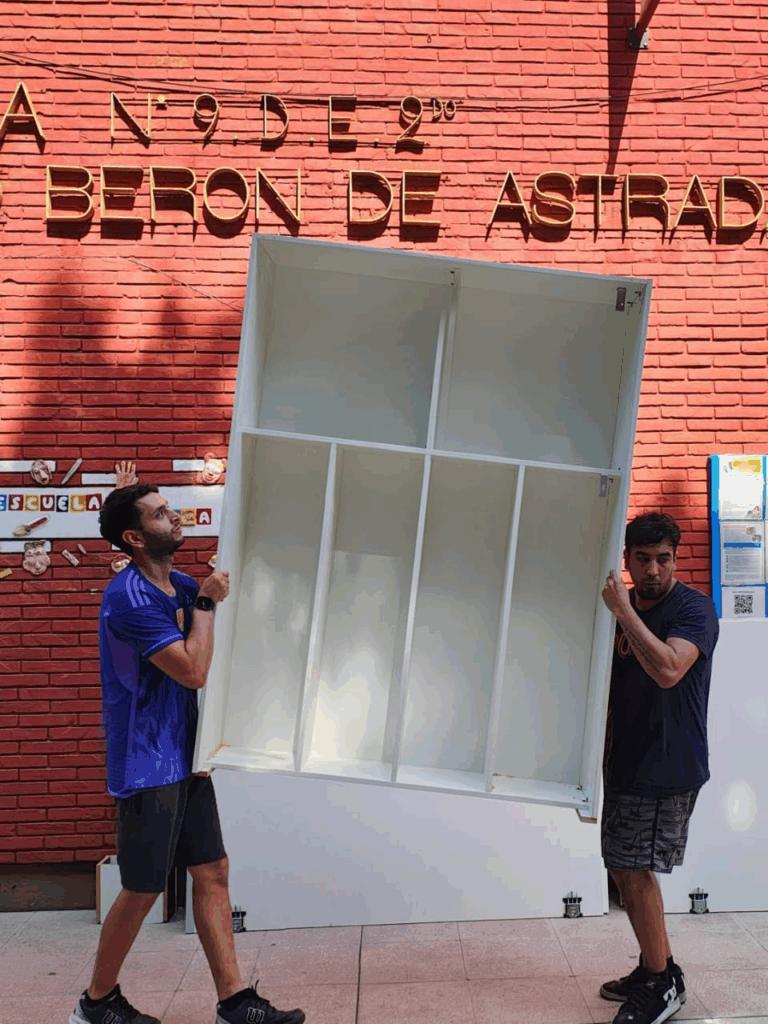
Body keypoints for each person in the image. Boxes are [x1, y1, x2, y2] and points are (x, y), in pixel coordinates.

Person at [69, 483, 305, 1024]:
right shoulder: (128, 598)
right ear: (133, 536)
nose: (173, 517)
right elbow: (193, 669)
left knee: (213, 871)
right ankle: (96, 1003)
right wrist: (204, 602)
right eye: (159, 514)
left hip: (187, 754)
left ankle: (234, 1002)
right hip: (148, 761)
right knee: (142, 888)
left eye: (169, 508)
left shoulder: (174, 583)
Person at [599, 512, 719, 1024]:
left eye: (663, 560)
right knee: (624, 869)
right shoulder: (618, 609)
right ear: (627, 559)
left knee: (640, 872)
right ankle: (653, 969)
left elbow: (670, 669)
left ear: (676, 558)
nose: (653, 570)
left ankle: (665, 983)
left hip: (668, 766)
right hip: (625, 762)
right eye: (643, 559)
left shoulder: (694, 609)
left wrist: (625, 613)